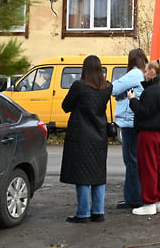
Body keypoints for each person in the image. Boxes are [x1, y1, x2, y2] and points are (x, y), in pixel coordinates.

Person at [60, 55, 113, 223]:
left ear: (85, 69)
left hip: (81, 135)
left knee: (81, 175)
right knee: (98, 173)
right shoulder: (107, 87)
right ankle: (98, 212)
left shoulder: (79, 86)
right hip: (100, 135)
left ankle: (83, 213)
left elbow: (65, 106)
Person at [128, 58, 160, 216]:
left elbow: (143, 112)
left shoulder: (150, 91)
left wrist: (132, 100)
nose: (144, 73)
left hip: (148, 135)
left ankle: (149, 203)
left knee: (148, 169)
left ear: (153, 72)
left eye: (146, 70)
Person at [111, 48, 148, 210]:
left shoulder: (134, 74)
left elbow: (113, 89)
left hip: (129, 122)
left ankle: (133, 198)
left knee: (131, 161)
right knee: (136, 161)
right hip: (137, 121)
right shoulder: (143, 74)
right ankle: (135, 196)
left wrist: (122, 94)